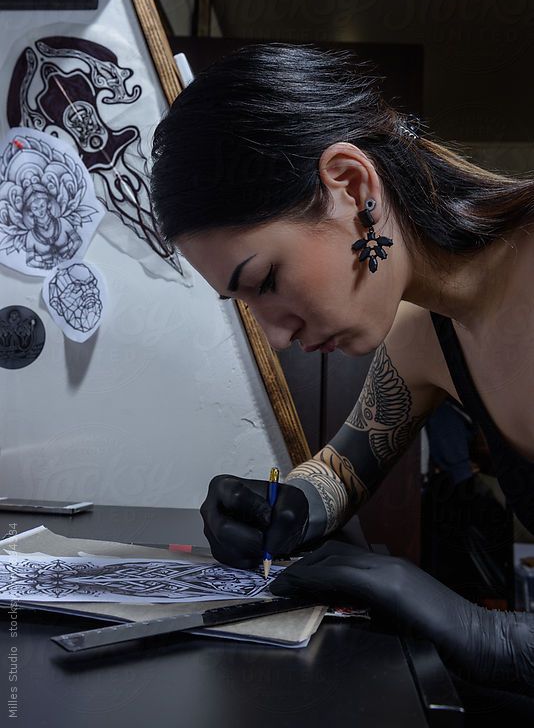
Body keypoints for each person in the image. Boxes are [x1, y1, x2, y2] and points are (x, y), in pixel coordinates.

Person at [149, 44, 534, 700]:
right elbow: (339, 472)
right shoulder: (424, 335)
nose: (276, 333)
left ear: (352, 187)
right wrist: (285, 508)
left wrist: (494, 638)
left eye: (267, 279)